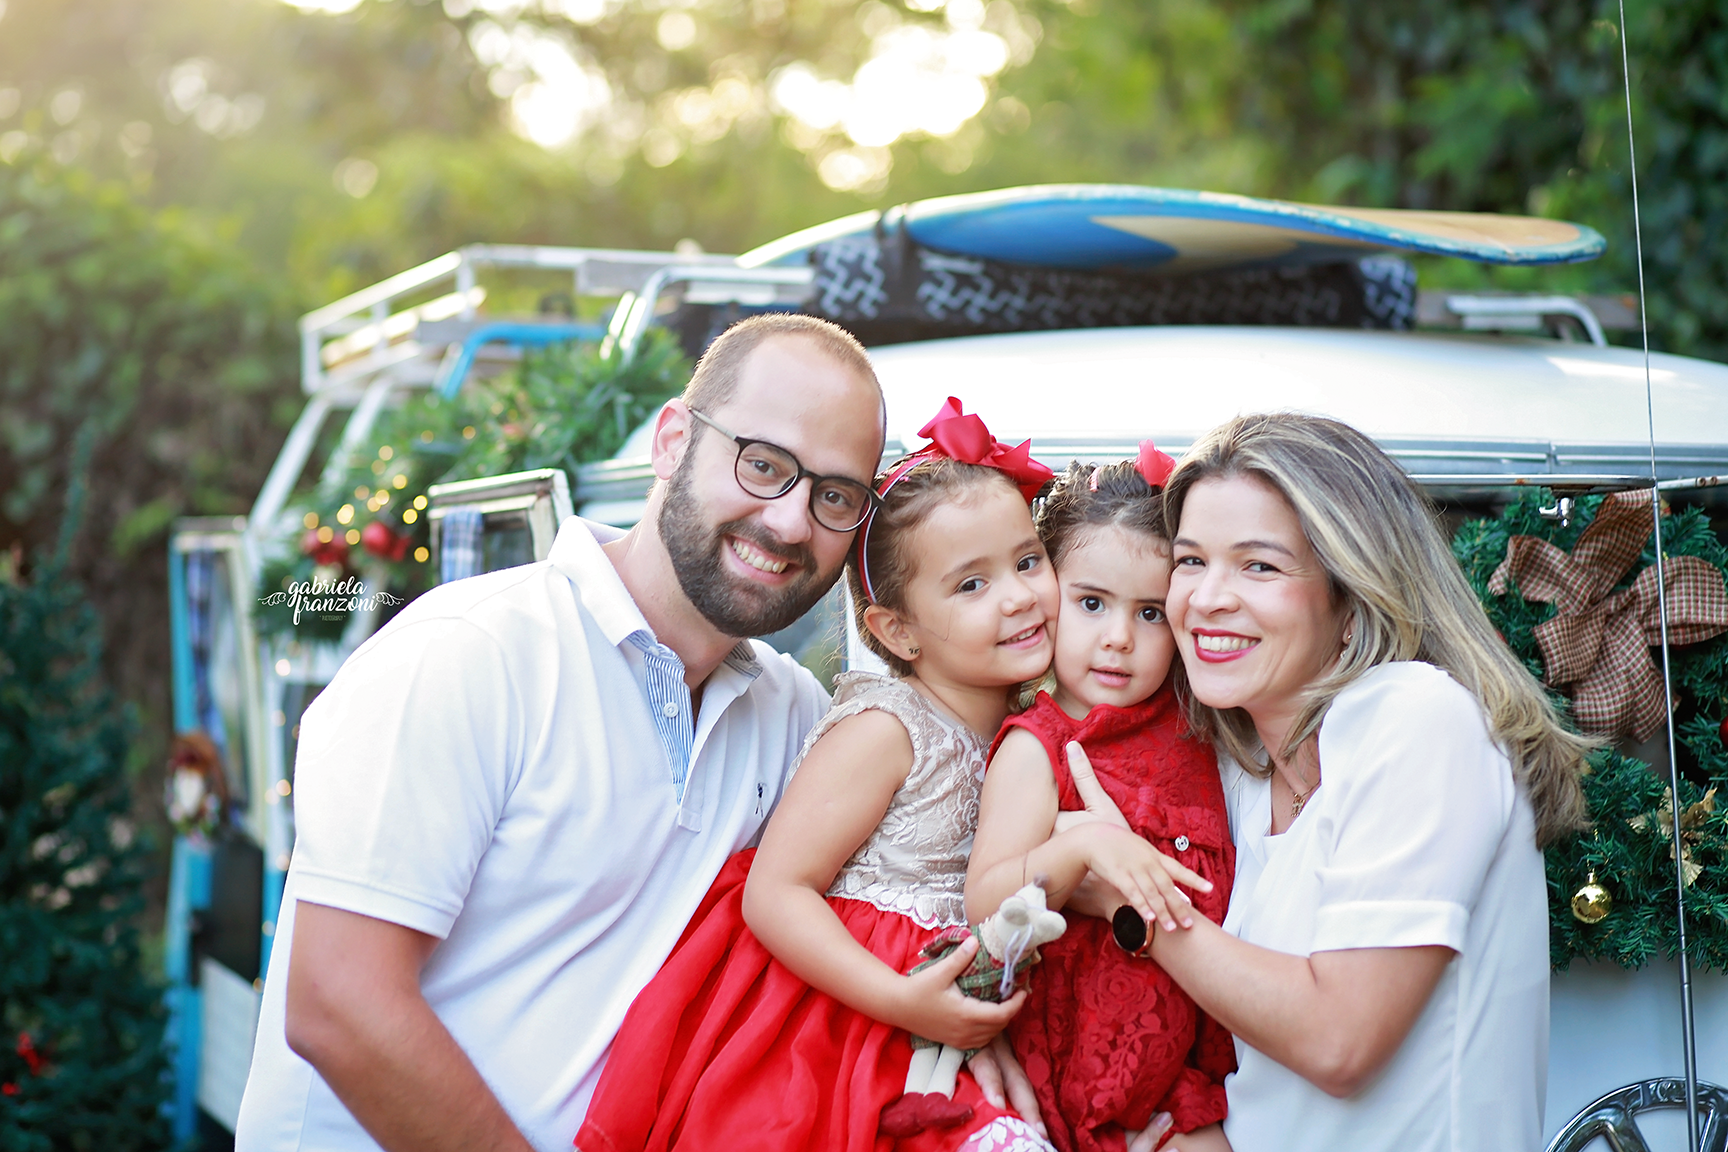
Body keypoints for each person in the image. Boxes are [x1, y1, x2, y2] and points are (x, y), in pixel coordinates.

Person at [236, 314, 899, 1152]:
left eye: (834, 495)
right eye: (762, 465)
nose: (792, 521)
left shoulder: (794, 717)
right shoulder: (473, 653)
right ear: (671, 443)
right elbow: (339, 1002)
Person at [1080, 412, 1589, 1152]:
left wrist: (1135, 903)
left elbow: (1339, 1043)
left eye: (1259, 566)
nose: (1207, 597)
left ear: (1349, 597)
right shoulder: (1240, 769)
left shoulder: (1419, 717)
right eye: (1190, 561)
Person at [575, 399, 1061, 1152]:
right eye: (972, 585)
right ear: (896, 630)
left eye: (1028, 562)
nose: (1019, 595)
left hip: (939, 1012)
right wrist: (901, 1001)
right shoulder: (886, 729)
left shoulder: (1028, 729)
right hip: (836, 1022)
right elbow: (776, 890)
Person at [966, 451, 1235, 1152]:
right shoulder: (1038, 748)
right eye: (1092, 604)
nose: (1119, 639)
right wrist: (1080, 846)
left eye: (1149, 613)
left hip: (1181, 1087)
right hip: (1066, 1076)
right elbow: (987, 905)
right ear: (1049, 594)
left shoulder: (1197, 729)